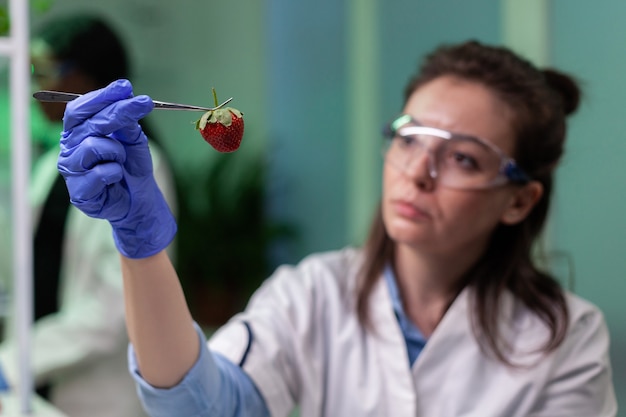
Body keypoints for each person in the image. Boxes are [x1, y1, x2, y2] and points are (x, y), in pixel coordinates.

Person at [56, 40, 617, 417]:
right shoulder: (313, 295)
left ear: (519, 201)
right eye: (409, 138)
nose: (418, 173)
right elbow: (198, 404)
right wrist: (140, 245)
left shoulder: (566, 340)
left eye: (463, 159)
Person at [0, 14, 176, 417]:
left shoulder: (139, 171)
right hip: (38, 387)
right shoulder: (51, 169)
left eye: (43, 71)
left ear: (84, 79)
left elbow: (112, 309)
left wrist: (16, 361)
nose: (35, 86)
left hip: (101, 398)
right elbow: (27, 270)